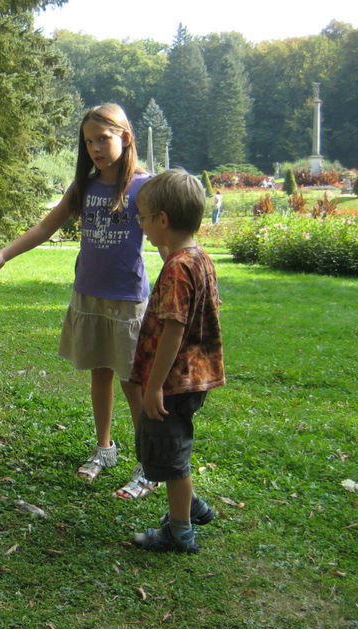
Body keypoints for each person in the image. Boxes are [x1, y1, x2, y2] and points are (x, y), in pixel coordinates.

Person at [0, 103, 158, 499]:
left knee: (133, 383)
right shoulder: (85, 186)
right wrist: (3, 254)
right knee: (99, 372)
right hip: (88, 297)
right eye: (89, 140)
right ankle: (105, 448)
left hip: (127, 301)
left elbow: (171, 228)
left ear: (126, 138)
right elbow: (46, 225)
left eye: (103, 139)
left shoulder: (145, 187)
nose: (95, 147)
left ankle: (150, 464)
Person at [129, 169, 226, 553]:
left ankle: (180, 531)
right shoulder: (199, 258)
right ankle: (189, 505)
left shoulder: (178, 269)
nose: (144, 228)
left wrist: (153, 385)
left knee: (171, 456)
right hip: (195, 375)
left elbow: (174, 329)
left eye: (144, 219)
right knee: (173, 446)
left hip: (172, 381)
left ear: (162, 220)